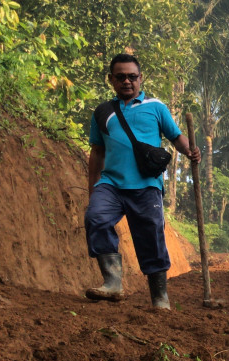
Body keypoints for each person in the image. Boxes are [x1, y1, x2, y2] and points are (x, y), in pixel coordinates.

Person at [84, 53, 200, 309]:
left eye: (132, 76)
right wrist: (92, 188)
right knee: (96, 217)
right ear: (111, 80)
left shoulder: (156, 106)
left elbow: (175, 136)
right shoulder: (103, 112)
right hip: (110, 184)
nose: (127, 81)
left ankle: (160, 298)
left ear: (140, 79)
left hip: (147, 185)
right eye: (121, 77)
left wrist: (190, 150)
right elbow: (97, 152)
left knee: (151, 237)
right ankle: (113, 283)